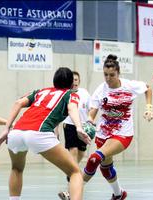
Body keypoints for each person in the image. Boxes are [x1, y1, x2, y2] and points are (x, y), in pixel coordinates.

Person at [0, 67, 91, 200]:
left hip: (16, 133)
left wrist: (6, 129)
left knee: (16, 168)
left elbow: (18, 103)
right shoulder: (71, 94)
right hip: (39, 133)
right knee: (75, 173)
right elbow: (72, 107)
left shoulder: (41, 91)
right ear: (70, 84)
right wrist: (79, 127)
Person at [82, 54, 153, 200]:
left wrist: (149, 107)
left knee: (94, 158)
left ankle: (72, 193)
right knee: (105, 169)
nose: (108, 78)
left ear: (118, 73)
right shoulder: (100, 90)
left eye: (112, 75)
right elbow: (92, 112)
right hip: (103, 134)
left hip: (123, 134)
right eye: (105, 75)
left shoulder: (129, 86)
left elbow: (148, 88)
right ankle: (119, 194)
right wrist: (89, 121)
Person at [58, 71, 91, 200]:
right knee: (74, 152)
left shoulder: (85, 93)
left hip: (82, 127)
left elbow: (91, 109)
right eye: (73, 79)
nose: (75, 81)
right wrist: (56, 130)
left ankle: (71, 177)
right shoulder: (66, 94)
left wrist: (90, 123)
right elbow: (59, 111)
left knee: (81, 154)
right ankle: (70, 191)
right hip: (69, 125)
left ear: (79, 81)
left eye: (77, 79)